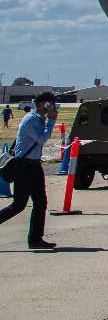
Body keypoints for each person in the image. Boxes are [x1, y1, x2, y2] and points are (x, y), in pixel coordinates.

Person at [1, 92, 58, 249]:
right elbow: (42, 139)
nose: (53, 107)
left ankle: (35, 239)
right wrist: (52, 121)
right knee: (19, 205)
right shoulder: (32, 120)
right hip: (24, 167)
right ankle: (34, 239)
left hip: (34, 166)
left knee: (40, 202)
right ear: (42, 104)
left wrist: (48, 120)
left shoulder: (39, 119)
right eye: (50, 103)